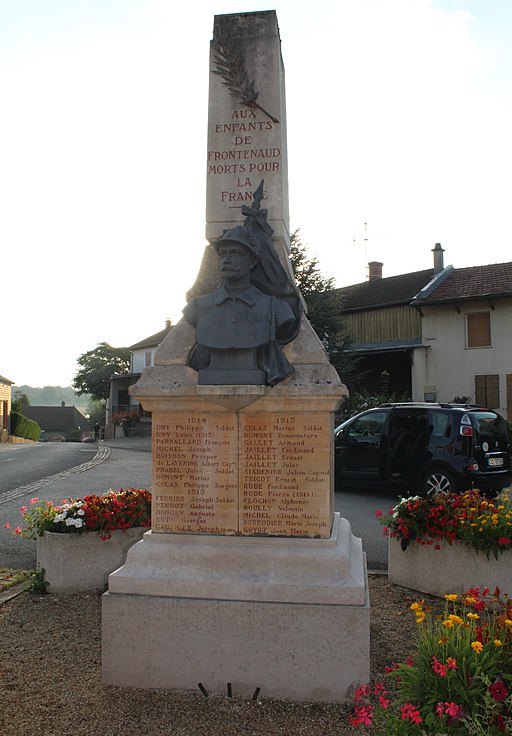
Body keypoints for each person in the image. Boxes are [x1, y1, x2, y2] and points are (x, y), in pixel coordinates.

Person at [183, 223, 300, 386]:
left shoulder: (275, 308)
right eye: (223, 254)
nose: (227, 260)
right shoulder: (198, 307)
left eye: (235, 253)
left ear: (252, 261)